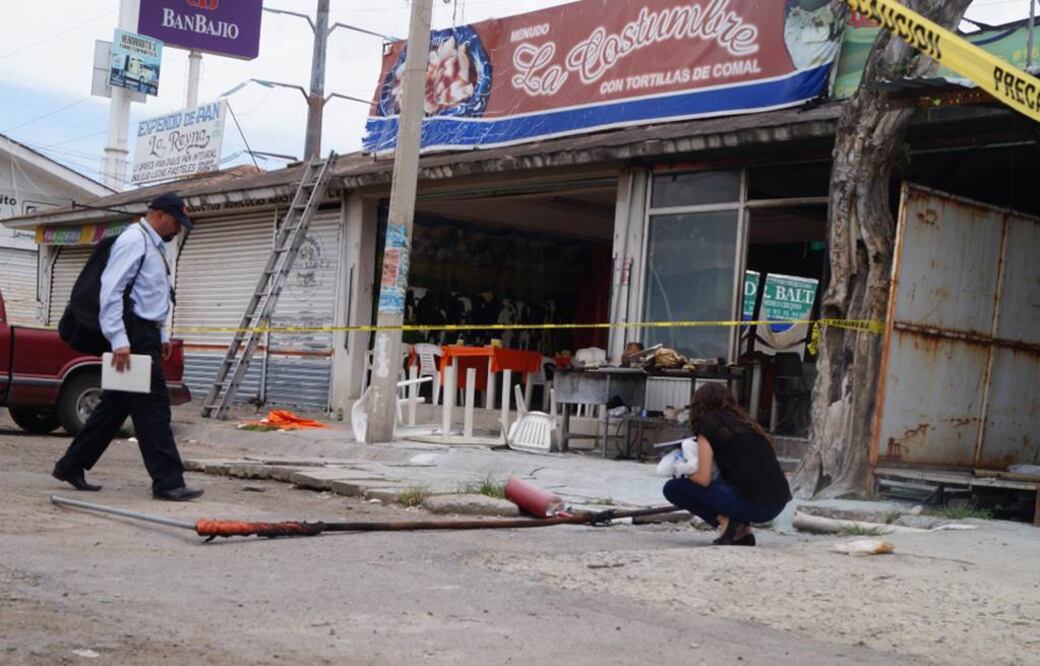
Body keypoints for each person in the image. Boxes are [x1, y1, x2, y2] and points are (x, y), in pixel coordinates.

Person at [52, 193, 204, 502]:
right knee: (154, 409)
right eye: (176, 222)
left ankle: (71, 465)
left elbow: (154, 295)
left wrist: (162, 335)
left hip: (145, 334)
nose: (178, 229)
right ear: (159, 214)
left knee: (116, 406)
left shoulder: (154, 245)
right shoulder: (134, 240)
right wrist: (119, 340)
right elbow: (111, 290)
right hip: (133, 336)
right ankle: (168, 481)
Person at [663, 383, 790, 546]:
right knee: (737, 481)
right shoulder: (747, 424)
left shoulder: (707, 426)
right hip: (778, 504)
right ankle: (743, 532)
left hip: (754, 506)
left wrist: (682, 471)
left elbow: (703, 479)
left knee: (673, 488)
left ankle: (724, 522)